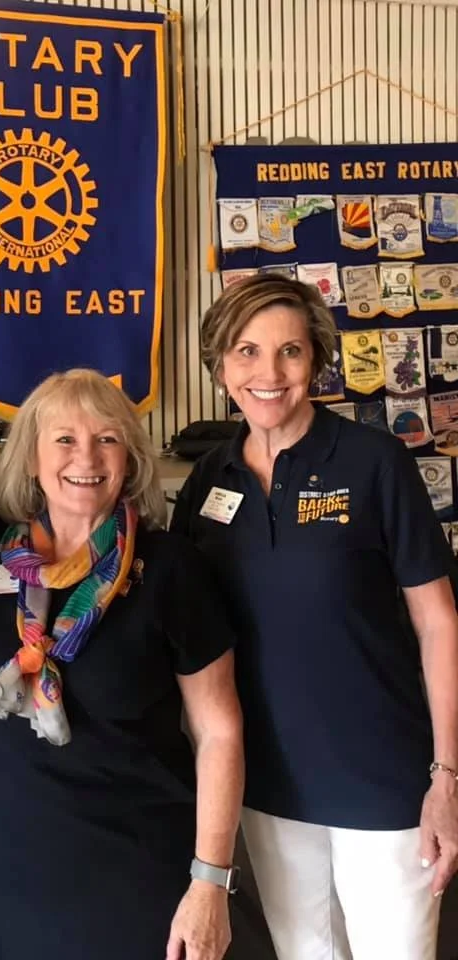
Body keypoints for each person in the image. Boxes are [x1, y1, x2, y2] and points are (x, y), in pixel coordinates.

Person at [171, 274, 458, 960]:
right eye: (245, 351)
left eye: (290, 352)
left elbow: (439, 622)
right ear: (219, 364)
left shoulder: (374, 463)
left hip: (384, 785)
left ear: (317, 359)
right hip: (268, 789)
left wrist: (447, 777)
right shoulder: (208, 482)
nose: (268, 374)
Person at [0, 369, 244, 960]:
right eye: (63, 439)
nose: (85, 456)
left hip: (137, 869)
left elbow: (220, 732)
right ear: (31, 459)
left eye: (107, 438)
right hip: (3, 869)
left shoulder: (171, 569)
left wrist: (210, 881)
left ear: (130, 459)